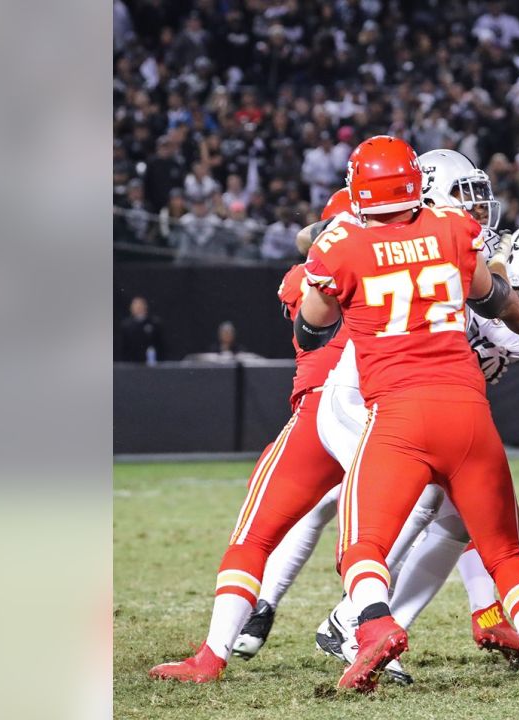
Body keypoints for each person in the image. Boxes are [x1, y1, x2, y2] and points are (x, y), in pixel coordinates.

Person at [296, 135, 519, 693]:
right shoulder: (454, 229)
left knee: (362, 545)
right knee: (504, 549)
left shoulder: (341, 243)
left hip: (398, 416)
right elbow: (494, 299)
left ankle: (375, 626)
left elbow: (310, 328)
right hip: (467, 412)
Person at [147, 211, 358, 685]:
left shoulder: (307, 274)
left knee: (253, 535)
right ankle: (372, 627)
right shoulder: (409, 266)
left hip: (323, 406)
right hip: (393, 406)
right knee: (416, 528)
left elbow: (306, 300)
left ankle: (213, 654)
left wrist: (330, 238)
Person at [118, 296, 163, 363]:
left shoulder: (154, 323)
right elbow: (123, 346)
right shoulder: (126, 325)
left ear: (145, 307)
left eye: (140, 306)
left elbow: (160, 344)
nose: (138, 308)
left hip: (150, 363)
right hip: (131, 362)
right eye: (136, 306)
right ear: (131, 308)